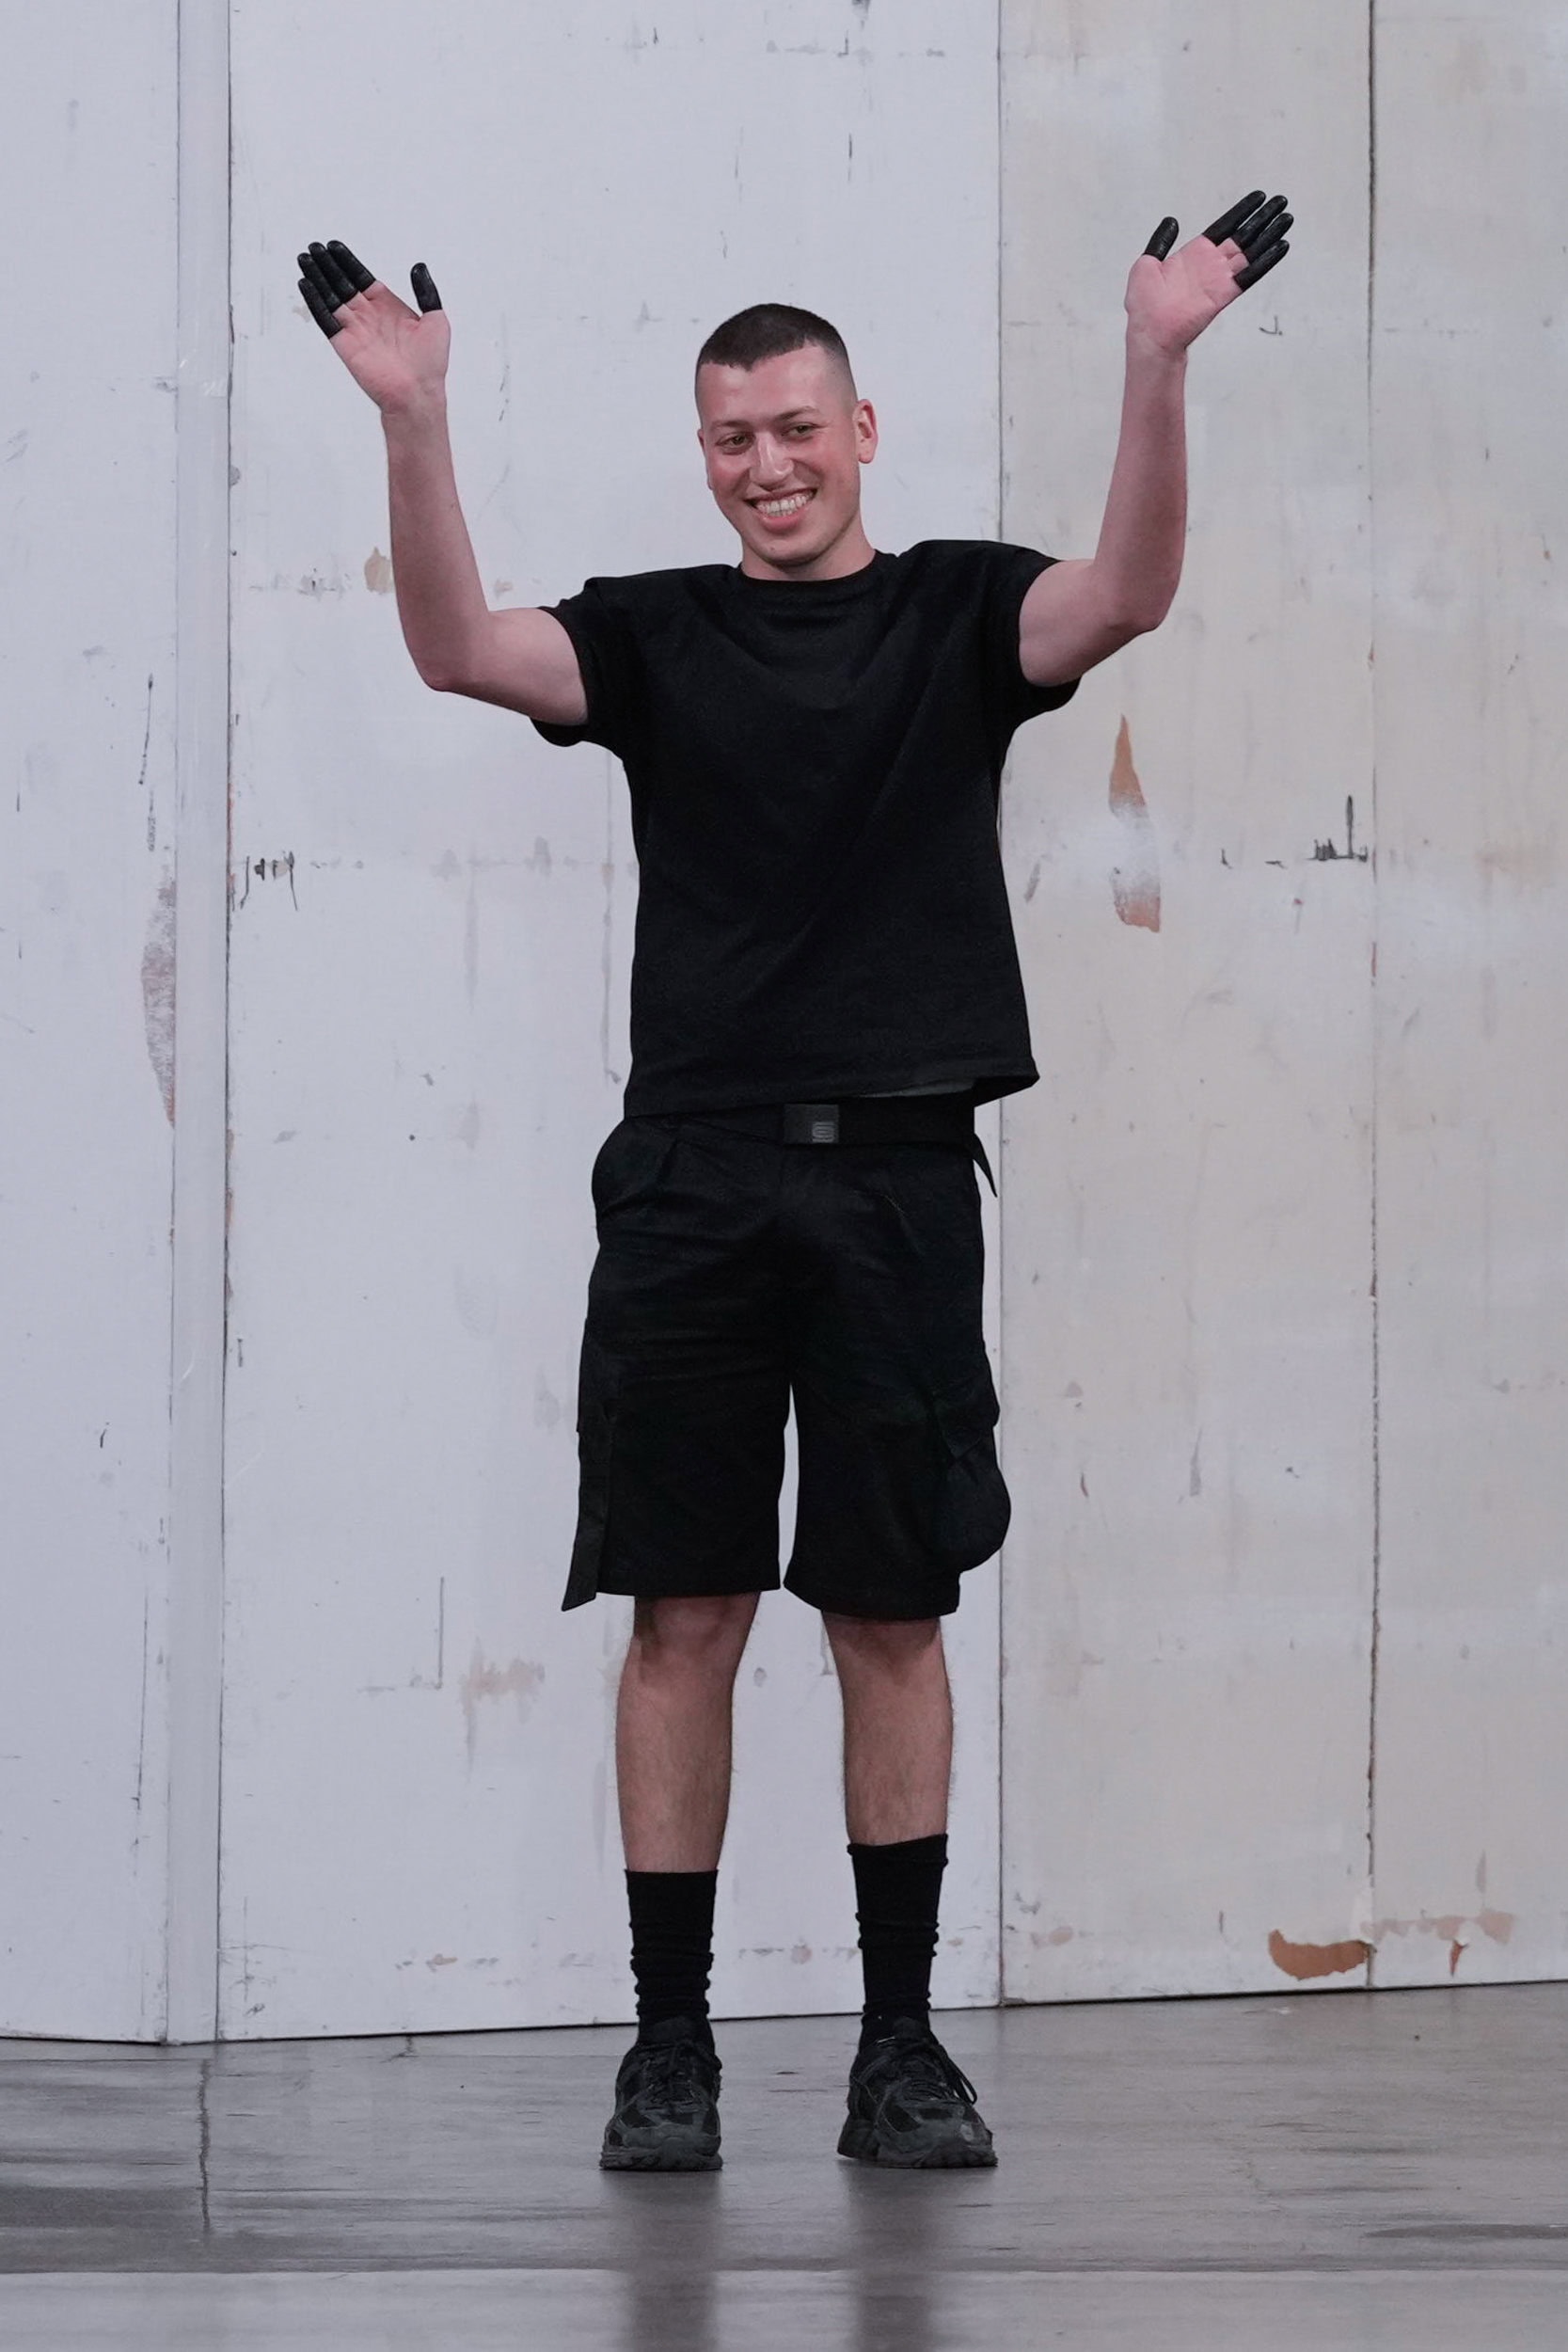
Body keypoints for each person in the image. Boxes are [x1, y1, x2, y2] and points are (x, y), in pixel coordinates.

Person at [298, 188, 1291, 2172]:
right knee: (683, 1609)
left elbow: (1127, 592)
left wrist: (1155, 361)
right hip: (691, 1181)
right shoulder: (655, 635)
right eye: (733, 438)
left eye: (797, 430)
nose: (768, 464)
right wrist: (413, 422)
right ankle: (669, 2046)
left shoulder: (957, 615)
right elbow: (456, 647)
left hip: (900, 1178)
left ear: (861, 431)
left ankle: (897, 2048)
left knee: (889, 1612)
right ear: (709, 454)